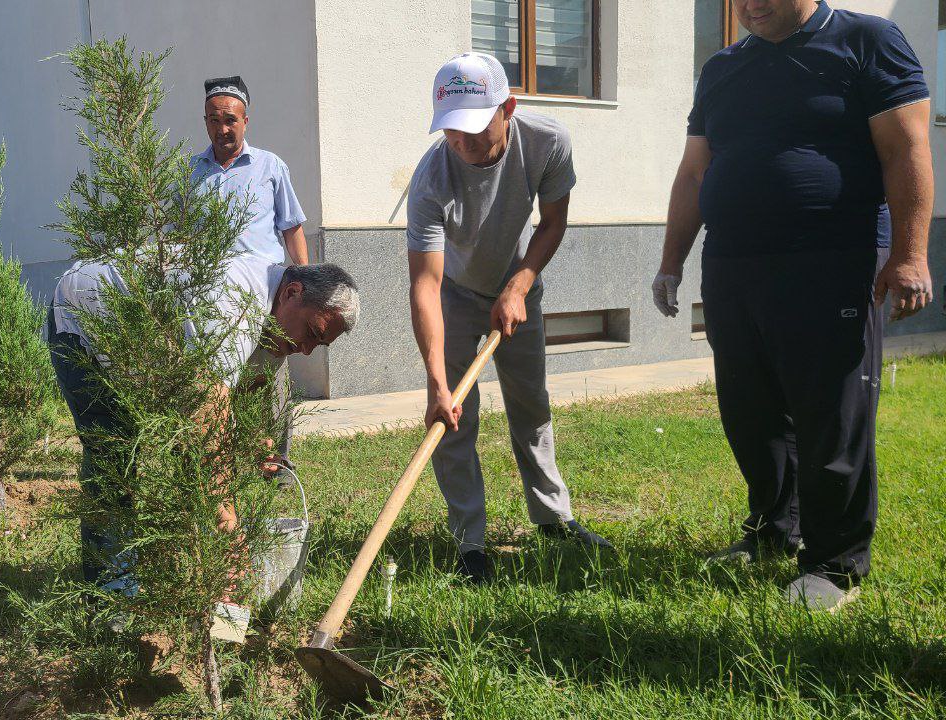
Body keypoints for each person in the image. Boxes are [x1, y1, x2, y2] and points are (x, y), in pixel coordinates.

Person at [653, 0, 933, 610]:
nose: (748, 7)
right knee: (749, 410)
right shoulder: (724, 68)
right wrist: (671, 261)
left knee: (830, 411)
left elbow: (905, 148)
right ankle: (774, 530)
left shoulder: (868, 41)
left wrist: (910, 254)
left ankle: (835, 562)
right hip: (733, 265)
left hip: (830, 260)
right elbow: (695, 173)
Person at [406, 52, 612, 586]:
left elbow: (554, 221)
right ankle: (469, 545)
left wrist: (520, 284)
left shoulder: (547, 142)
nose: (463, 144)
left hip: (518, 286)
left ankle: (552, 518)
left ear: (509, 109)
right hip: (453, 293)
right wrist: (436, 384)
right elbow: (425, 285)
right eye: (451, 131)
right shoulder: (431, 178)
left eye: (474, 129)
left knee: (531, 406)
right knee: (453, 419)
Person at [48, 258, 359, 586]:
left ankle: (186, 575)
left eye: (319, 344)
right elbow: (206, 421)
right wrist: (228, 532)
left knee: (192, 463)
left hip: (152, 341)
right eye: (312, 333)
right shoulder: (230, 300)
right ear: (292, 293)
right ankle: (113, 595)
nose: (307, 350)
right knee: (113, 454)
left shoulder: (282, 326)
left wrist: (253, 440)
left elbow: (240, 393)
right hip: (86, 312)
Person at [191, 76, 309, 482]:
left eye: (229, 120)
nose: (222, 129)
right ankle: (226, 462)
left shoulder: (270, 167)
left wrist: (305, 283)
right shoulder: (192, 172)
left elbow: (292, 227)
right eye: (213, 120)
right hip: (212, 300)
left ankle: (274, 465)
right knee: (219, 382)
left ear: (245, 120)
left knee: (269, 378)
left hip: (267, 295)